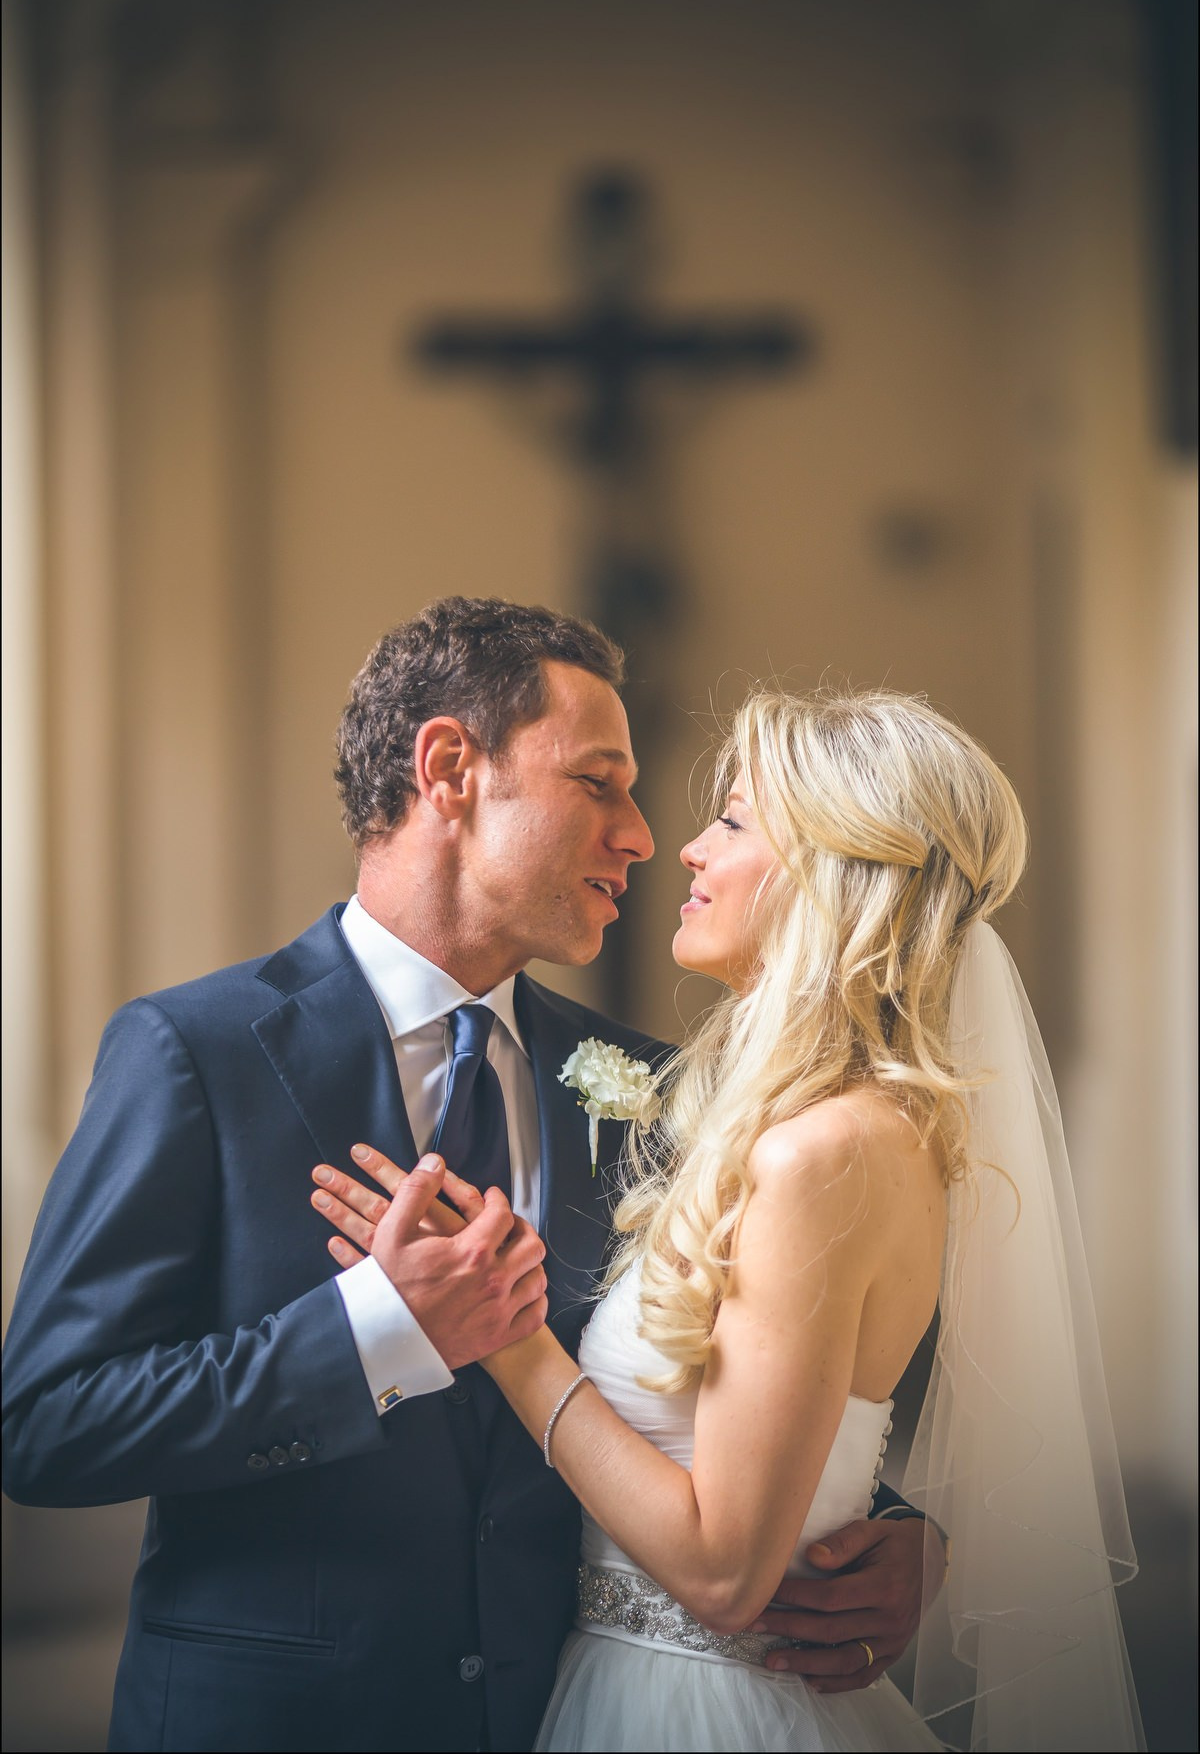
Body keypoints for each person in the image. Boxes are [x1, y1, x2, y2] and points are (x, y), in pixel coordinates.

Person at [2, 600, 931, 1754]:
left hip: (562, 1716)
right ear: (449, 770)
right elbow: (46, 1423)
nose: (643, 836)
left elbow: (750, 1375)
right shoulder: (196, 1054)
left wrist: (883, 1534)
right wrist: (376, 1334)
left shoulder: (653, 1087)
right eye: (599, 783)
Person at [316, 686, 1144, 1753]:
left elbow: (724, 1569)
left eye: (736, 821)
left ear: (838, 874)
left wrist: (507, 1336)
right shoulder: (769, 1121)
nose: (687, 847)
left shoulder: (821, 1154)